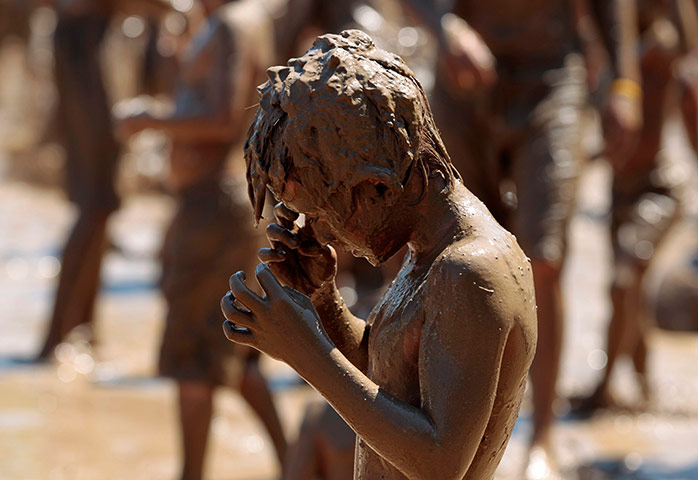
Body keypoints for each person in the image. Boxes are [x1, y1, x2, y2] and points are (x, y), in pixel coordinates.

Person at [221, 30, 537, 480]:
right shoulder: (430, 251)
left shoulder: (469, 269)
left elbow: (439, 463)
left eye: (320, 212)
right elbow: (390, 378)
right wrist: (323, 302)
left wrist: (305, 351)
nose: (318, 231)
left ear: (376, 187)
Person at [397, 1, 642, 477]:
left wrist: (624, 86)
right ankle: (463, 437)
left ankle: (543, 437)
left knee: (543, 258)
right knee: (455, 254)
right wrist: (444, 27)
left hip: (552, 77)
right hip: (463, 74)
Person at [118, 1, 285, 479]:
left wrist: (150, 119)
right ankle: (296, 463)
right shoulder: (233, 21)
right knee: (239, 349)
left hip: (213, 205)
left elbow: (221, 117)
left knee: (192, 360)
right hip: (226, 205)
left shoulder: (232, 23)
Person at [576, 0, 698, 412]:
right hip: (619, 189)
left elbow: (686, 48)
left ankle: (604, 387)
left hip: (660, 186)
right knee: (632, 296)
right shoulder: (601, 49)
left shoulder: (661, 49)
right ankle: (647, 396)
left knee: (623, 282)